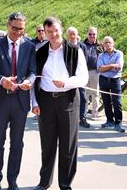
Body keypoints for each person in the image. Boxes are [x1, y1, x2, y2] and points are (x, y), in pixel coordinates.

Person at [31, 17, 88, 190]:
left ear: (61, 29)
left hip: (68, 100)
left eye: (55, 30)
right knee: (47, 144)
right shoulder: (39, 52)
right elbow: (34, 80)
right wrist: (34, 102)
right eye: (49, 32)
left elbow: (83, 77)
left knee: (68, 145)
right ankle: (44, 182)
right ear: (44, 33)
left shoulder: (75, 50)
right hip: (46, 101)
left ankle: (65, 184)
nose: (53, 34)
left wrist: (66, 82)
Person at [0, 12, 36, 190]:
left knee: (17, 144)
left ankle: (12, 180)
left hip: (20, 102)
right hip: (0, 100)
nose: (17, 32)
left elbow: (32, 70)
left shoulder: (30, 47)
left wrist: (29, 81)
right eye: (14, 28)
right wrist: (1, 80)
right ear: (8, 25)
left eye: (21, 29)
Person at [97, 36, 125, 133]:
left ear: (113, 43)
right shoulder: (101, 55)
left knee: (117, 101)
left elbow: (119, 67)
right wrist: (112, 65)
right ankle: (109, 121)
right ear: (103, 45)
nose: (108, 44)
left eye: (109, 42)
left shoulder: (119, 53)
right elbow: (99, 69)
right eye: (106, 43)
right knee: (106, 101)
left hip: (115, 80)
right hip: (103, 79)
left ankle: (118, 123)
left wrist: (106, 67)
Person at [66, 27, 90, 128]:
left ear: (77, 34)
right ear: (67, 35)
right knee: (69, 97)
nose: (72, 36)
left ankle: (83, 118)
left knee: (83, 97)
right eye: (70, 34)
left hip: (80, 76)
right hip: (69, 76)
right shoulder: (65, 46)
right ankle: (70, 117)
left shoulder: (82, 46)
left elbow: (86, 60)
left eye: (74, 34)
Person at [83, 27, 103, 118]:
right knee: (85, 93)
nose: (92, 36)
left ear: (96, 35)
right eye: (90, 34)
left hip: (95, 72)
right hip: (84, 72)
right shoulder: (82, 45)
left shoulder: (100, 45)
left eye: (94, 34)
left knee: (96, 93)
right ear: (87, 34)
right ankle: (84, 113)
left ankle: (95, 114)